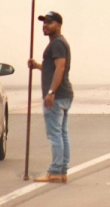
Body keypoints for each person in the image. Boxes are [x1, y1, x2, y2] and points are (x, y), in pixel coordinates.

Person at [28, 11, 74, 184]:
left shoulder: (57, 43)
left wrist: (51, 92)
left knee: (55, 134)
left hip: (57, 95)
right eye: (44, 22)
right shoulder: (58, 44)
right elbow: (52, 67)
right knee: (61, 133)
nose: (45, 25)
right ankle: (61, 171)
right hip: (63, 94)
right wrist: (38, 66)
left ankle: (55, 170)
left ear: (59, 25)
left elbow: (60, 68)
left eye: (49, 22)